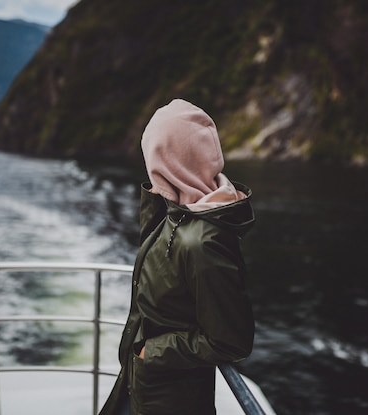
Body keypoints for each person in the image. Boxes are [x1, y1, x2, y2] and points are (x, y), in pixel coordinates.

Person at [99, 98, 256, 415]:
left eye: (154, 159)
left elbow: (230, 341)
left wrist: (151, 352)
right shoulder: (177, 217)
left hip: (170, 399)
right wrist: (160, 198)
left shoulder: (203, 243)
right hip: (144, 387)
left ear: (168, 162)